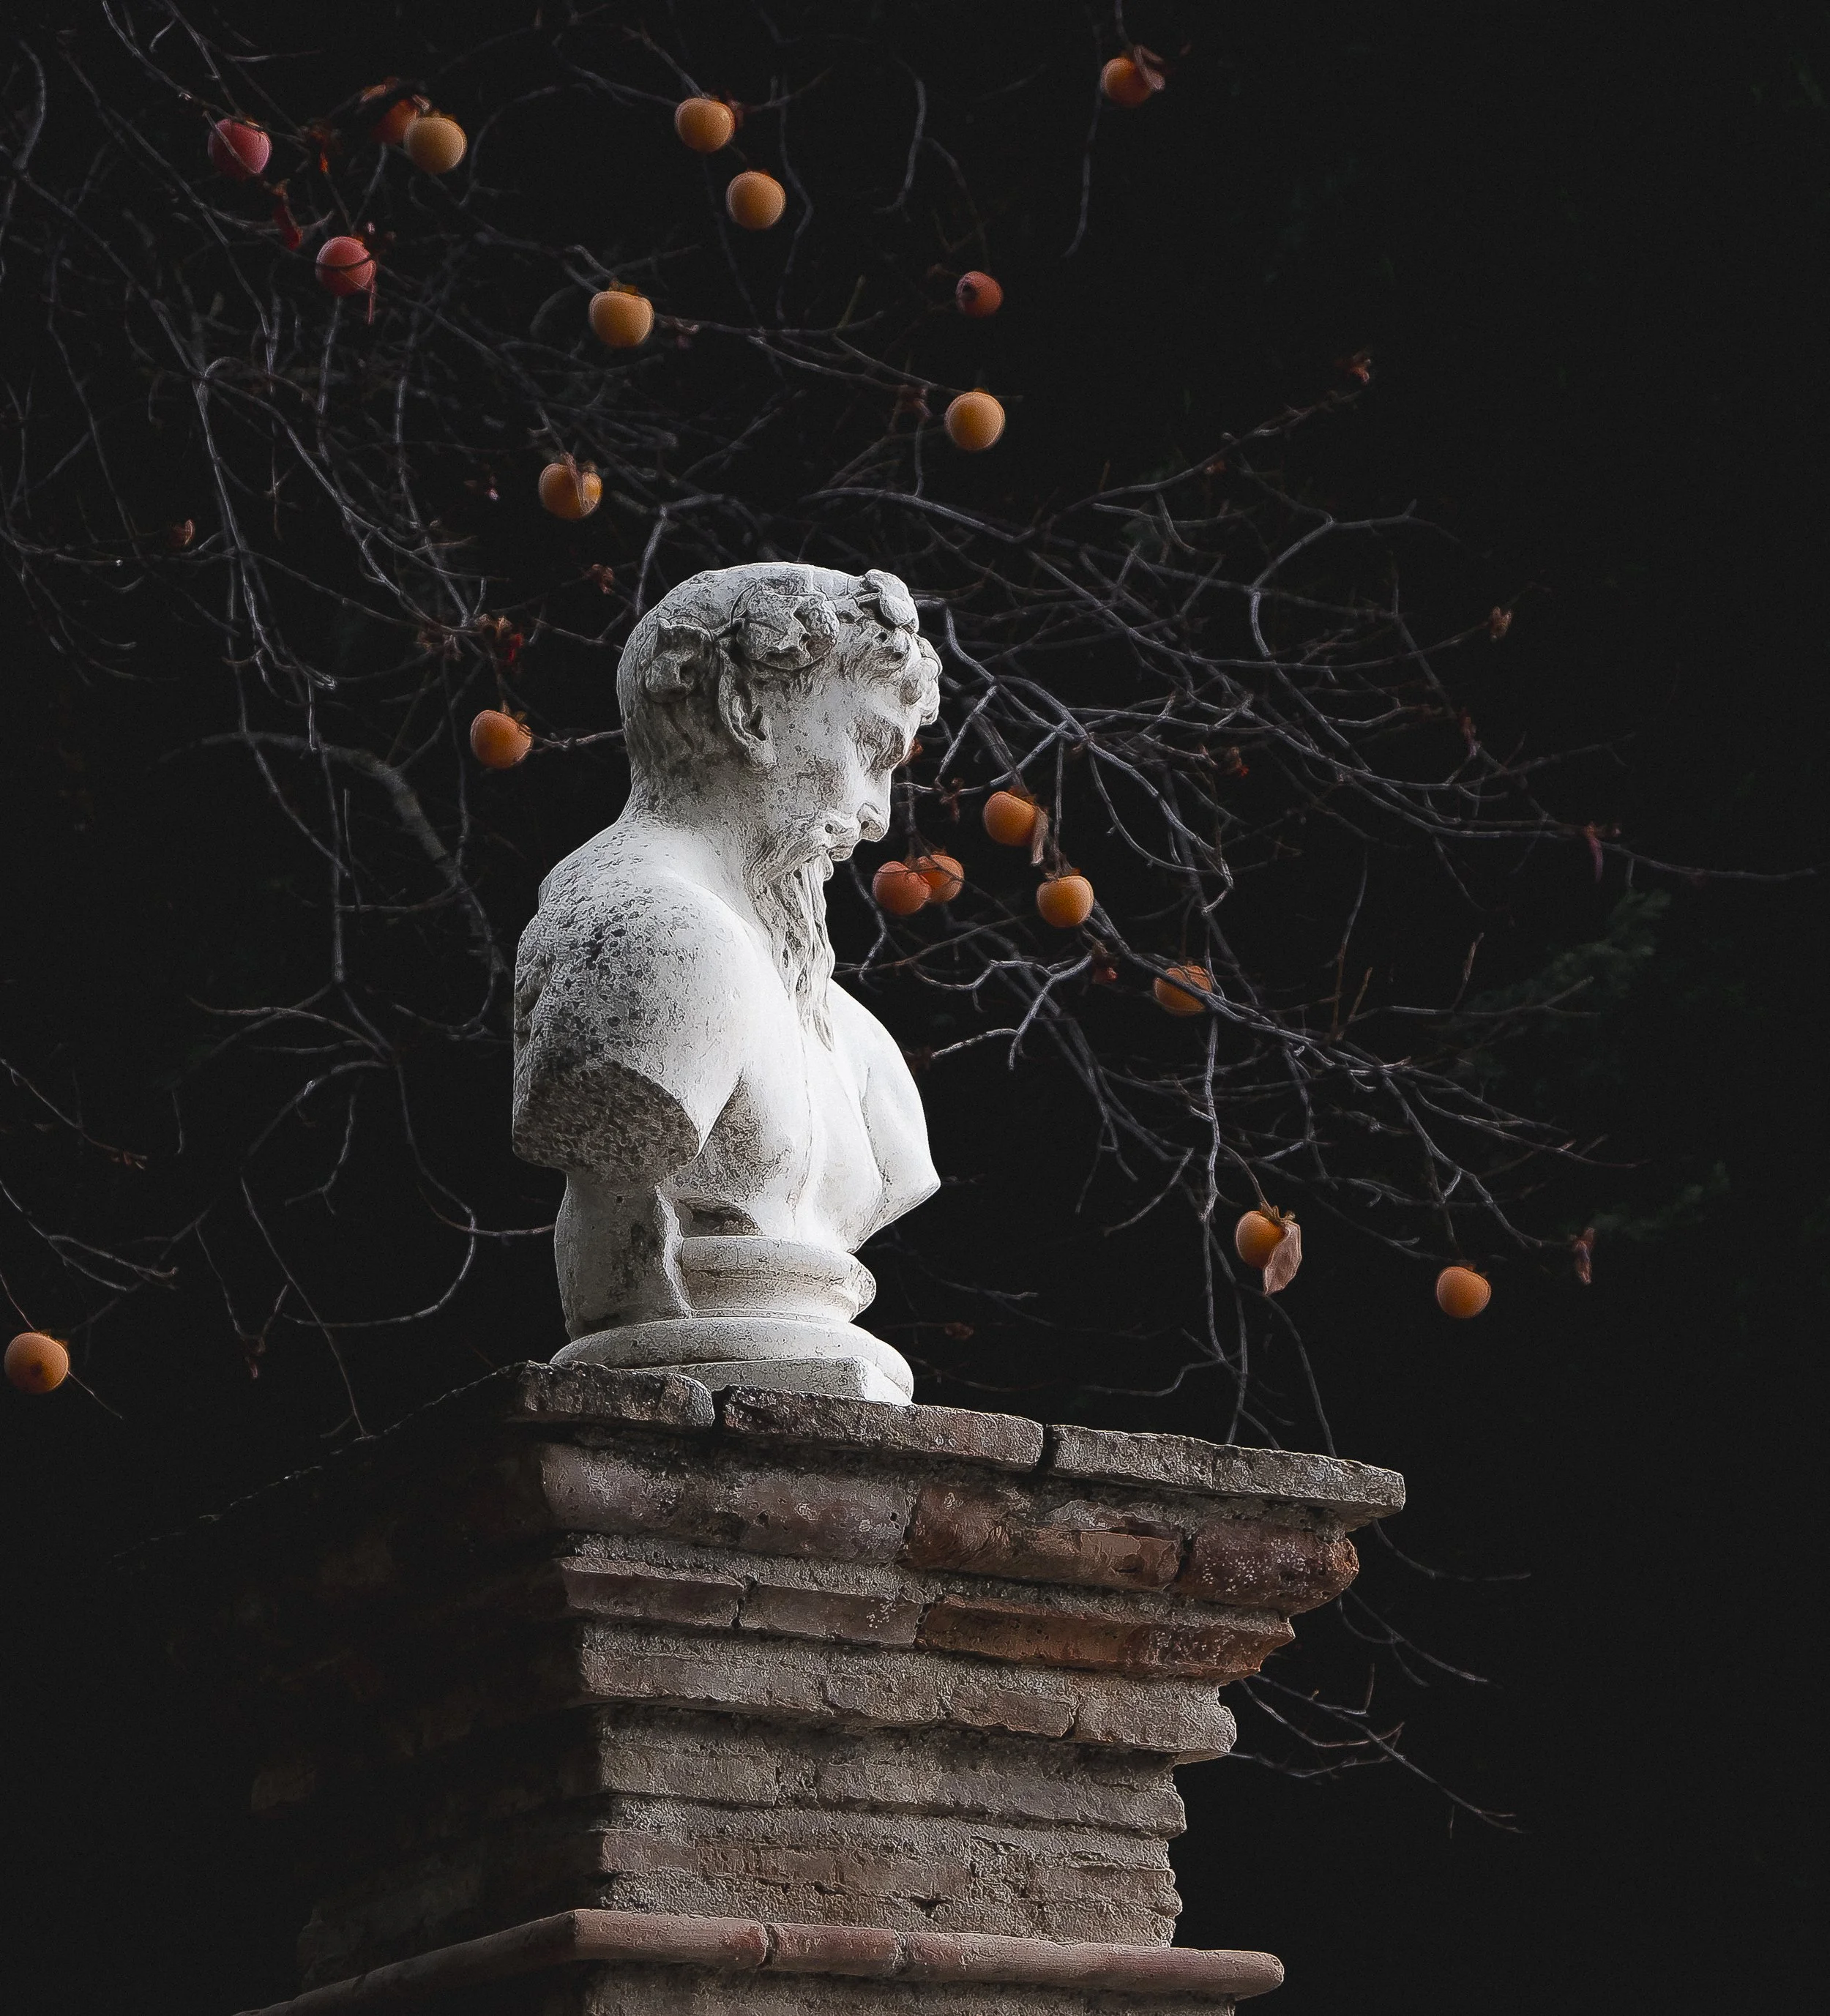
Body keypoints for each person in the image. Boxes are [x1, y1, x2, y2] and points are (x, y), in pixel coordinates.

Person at [512, 564, 942, 1403]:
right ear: (749, 715)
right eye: (868, 748)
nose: (879, 816)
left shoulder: (851, 1036)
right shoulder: (659, 941)